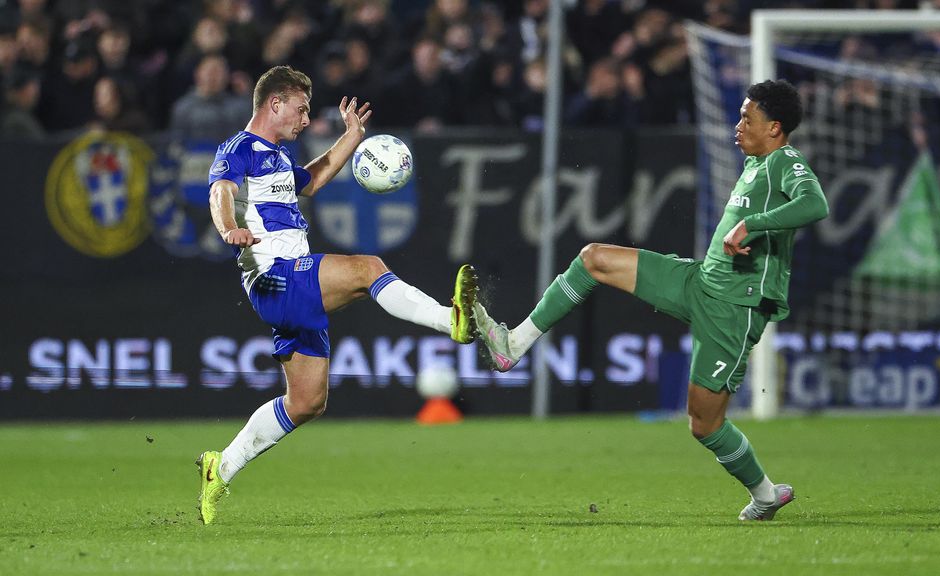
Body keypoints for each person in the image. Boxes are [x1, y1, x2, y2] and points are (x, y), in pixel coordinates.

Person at [474, 79, 828, 521]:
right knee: (594, 259)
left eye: (747, 119)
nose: (737, 126)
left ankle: (764, 494)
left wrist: (753, 225)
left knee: (704, 424)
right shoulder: (756, 164)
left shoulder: (784, 161)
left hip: (734, 310)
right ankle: (514, 345)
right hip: (699, 281)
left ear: (775, 128)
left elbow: (815, 204)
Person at [196, 65, 478, 525]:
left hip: (290, 286)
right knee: (369, 269)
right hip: (275, 276)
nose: (306, 120)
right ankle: (452, 321)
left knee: (307, 402)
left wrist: (352, 135)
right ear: (275, 103)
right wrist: (229, 228)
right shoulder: (240, 148)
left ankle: (220, 467)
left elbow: (316, 178)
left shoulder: (280, 158)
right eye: (301, 109)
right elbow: (220, 191)